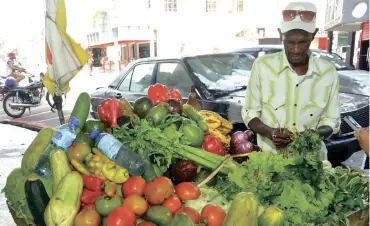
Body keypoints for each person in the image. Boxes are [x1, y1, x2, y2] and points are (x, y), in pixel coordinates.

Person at [242, 1, 341, 160]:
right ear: (281, 35)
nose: (296, 49)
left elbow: (331, 121)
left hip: (311, 162)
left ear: (313, 35)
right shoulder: (262, 66)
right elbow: (249, 112)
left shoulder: (327, 72)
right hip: (270, 161)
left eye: (303, 42)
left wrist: (310, 136)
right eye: (290, 42)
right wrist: (270, 132)